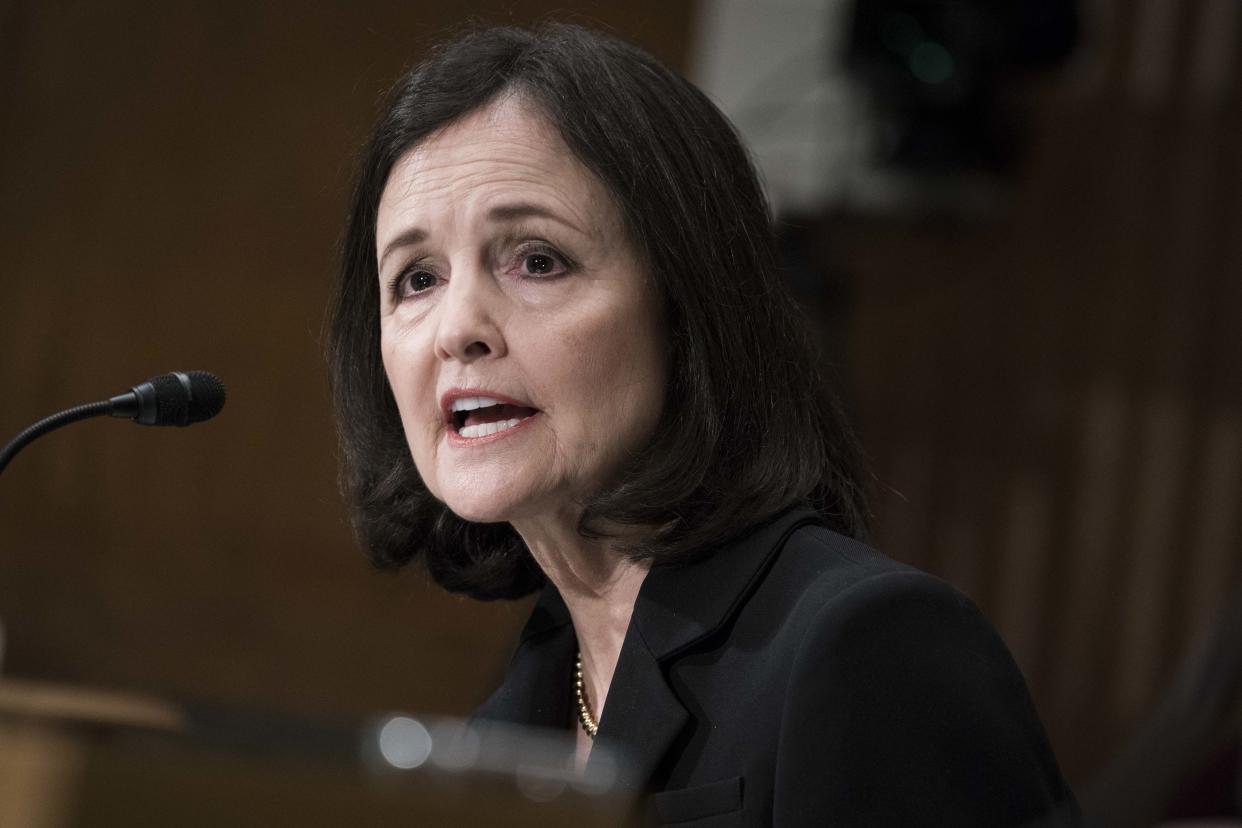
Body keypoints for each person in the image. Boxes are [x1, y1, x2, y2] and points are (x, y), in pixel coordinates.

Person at [327, 22, 1080, 826]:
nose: (457, 328)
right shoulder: (524, 704)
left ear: (686, 306)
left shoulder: (867, 648)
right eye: (415, 279)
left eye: (537, 260)